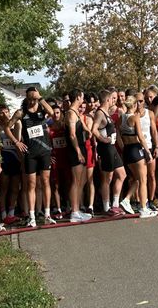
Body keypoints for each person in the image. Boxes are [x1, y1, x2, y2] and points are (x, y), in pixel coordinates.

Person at [5, 87, 56, 227]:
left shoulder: (42, 110)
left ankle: (47, 214)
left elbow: (52, 113)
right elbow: (7, 127)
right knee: (31, 184)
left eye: (34, 99)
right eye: (30, 98)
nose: (32, 101)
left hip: (45, 151)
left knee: (46, 182)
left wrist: (40, 98)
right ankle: (32, 216)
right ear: (26, 98)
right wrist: (16, 142)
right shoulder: (21, 112)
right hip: (30, 153)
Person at [118, 95, 158, 218]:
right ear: (134, 105)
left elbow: (119, 134)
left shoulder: (121, 118)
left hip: (127, 150)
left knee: (136, 179)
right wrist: (148, 151)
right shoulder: (135, 117)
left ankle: (126, 199)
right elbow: (141, 137)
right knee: (143, 180)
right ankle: (143, 208)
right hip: (136, 149)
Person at [91, 90, 129, 216]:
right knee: (108, 178)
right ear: (107, 100)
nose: (114, 101)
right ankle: (106, 208)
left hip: (112, 147)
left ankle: (115, 204)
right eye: (112, 99)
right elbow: (94, 130)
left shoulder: (106, 112)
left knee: (122, 174)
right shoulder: (100, 113)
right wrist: (103, 139)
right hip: (106, 148)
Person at [65, 89, 92, 223]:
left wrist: (87, 130)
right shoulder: (70, 113)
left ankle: (77, 209)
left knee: (81, 180)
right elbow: (72, 134)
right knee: (76, 181)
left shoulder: (76, 113)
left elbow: (81, 129)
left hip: (81, 147)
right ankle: (74, 212)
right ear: (77, 97)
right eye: (82, 97)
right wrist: (78, 152)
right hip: (75, 150)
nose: (83, 99)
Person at [0, 104, 22, 225]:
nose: (5, 114)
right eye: (2, 113)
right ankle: (3, 214)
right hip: (4, 158)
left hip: (15, 158)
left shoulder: (16, 124)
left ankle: (11, 213)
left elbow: (19, 140)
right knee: (4, 188)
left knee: (15, 187)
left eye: (7, 112)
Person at [137, 92, 158, 211]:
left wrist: (156, 146)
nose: (138, 104)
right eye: (136, 101)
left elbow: (154, 131)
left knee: (151, 175)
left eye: (141, 101)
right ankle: (140, 201)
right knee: (140, 177)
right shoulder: (132, 114)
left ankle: (151, 200)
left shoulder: (149, 113)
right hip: (137, 148)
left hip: (150, 146)